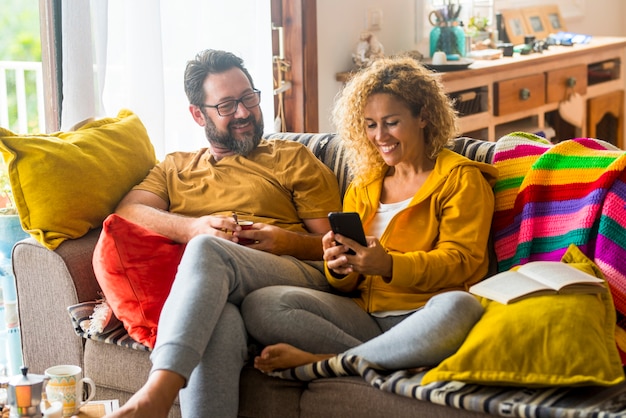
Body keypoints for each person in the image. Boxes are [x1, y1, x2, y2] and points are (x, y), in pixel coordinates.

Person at [106, 49, 341, 417]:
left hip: (296, 276)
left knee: (207, 249)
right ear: (198, 113)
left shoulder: (291, 157)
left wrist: (285, 241)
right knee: (220, 321)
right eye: (227, 105)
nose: (244, 112)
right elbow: (129, 211)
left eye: (249, 98)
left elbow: (340, 253)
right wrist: (190, 227)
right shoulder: (175, 168)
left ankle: (158, 392)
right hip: (221, 290)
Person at [241, 56, 498, 374]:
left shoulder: (461, 179)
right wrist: (338, 267)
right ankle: (374, 358)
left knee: (461, 308)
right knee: (262, 304)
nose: (380, 137)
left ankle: (327, 362)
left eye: (391, 122)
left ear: (424, 116)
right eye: (370, 125)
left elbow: (462, 262)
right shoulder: (364, 184)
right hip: (362, 318)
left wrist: (389, 265)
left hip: (426, 313)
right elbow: (347, 285)